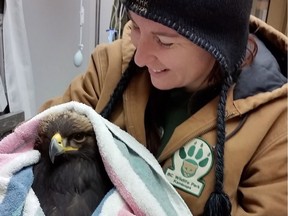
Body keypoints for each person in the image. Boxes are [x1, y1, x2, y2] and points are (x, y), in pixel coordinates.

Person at [40, 0, 287, 215]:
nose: (140, 56)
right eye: (136, 26)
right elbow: (34, 143)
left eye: (164, 41)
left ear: (217, 45)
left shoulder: (275, 125)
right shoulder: (112, 65)